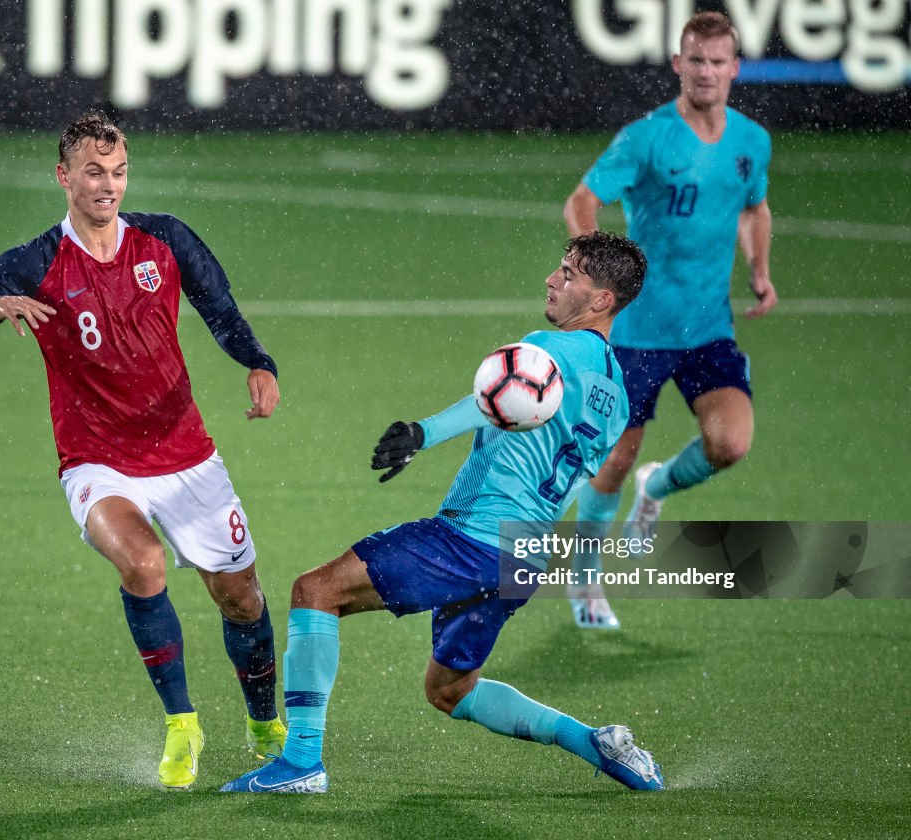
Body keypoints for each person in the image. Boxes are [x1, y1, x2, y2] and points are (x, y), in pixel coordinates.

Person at [0, 111, 286, 790]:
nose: (107, 184)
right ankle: (183, 725)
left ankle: (265, 720)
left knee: (242, 600)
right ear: (64, 177)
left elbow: (222, 312)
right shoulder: (35, 263)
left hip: (188, 458)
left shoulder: (165, 240)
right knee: (143, 564)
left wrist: (258, 362)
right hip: (97, 461)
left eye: (117, 171)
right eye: (92, 171)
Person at [220, 231, 664, 794]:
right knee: (450, 690)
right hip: (525, 556)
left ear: (603, 299)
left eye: (569, 274)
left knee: (316, 591)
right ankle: (593, 741)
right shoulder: (619, 397)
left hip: (473, 539)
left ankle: (301, 761)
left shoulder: (548, 350)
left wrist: (422, 433)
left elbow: (496, 397)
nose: (552, 280)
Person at [562, 11, 776, 630]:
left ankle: (657, 491)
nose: (707, 72)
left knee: (729, 443)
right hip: (635, 335)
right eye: (696, 60)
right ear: (677, 65)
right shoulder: (646, 138)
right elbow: (582, 199)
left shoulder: (751, 142)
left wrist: (759, 269)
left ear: (735, 68)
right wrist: (595, 268)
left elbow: (755, 208)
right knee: (612, 462)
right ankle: (585, 582)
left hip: (707, 328)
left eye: (718, 61)